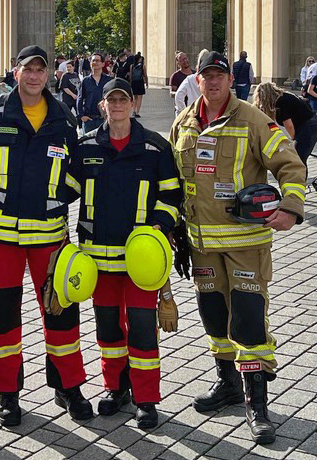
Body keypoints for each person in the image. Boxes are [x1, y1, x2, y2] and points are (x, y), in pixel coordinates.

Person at [170, 51, 306, 445]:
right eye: (206, 76)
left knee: (248, 320)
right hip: (201, 248)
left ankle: (256, 404)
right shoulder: (183, 123)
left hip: (246, 245)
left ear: (230, 80)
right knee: (214, 318)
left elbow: (291, 165)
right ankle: (227, 384)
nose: (212, 82)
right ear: (197, 80)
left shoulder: (253, 119)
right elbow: (175, 181)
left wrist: (290, 206)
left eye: (219, 76)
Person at [0, 45, 91, 427]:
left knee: (62, 313)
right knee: (3, 317)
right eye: (28, 70)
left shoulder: (63, 118)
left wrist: (55, 197)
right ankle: (7, 392)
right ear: (15, 73)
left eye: (41, 70)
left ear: (49, 74)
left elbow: (77, 169)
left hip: (49, 235)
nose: (34, 76)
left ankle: (67, 385)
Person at [66, 77, 182, 428]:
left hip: (139, 261)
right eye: (111, 100)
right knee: (108, 331)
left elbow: (172, 195)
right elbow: (64, 190)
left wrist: (160, 225)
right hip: (98, 260)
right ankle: (117, 388)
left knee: (144, 330)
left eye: (123, 100)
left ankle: (146, 398)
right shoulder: (85, 147)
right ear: (102, 105)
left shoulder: (154, 147)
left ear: (133, 104)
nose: (117, 105)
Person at [253, 82, 317, 175]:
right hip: (310, 122)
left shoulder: (280, 102)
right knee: (299, 156)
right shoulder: (284, 96)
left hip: (309, 125)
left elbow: (289, 125)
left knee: (298, 158)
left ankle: (300, 181)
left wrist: (294, 139)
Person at [77, 52, 112, 133]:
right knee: (88, 144)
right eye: (93, 61)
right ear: (90, 64)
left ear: (103, 64)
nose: (95, 63)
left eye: (97, 60)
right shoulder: (85, 81)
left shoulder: (108, 80)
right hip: (89, 119)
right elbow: (80, 98)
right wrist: (81, 116)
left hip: (104, 119)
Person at [174, 49, 209, 116]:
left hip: (193, 113)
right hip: (208, 114)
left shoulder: (190, 79)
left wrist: (184, 111)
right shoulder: (213, 79)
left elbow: (178, 96)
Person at [129, 52, 148, 118]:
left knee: (134, 98)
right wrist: (147, 83)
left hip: (134, 83)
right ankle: (137, 112)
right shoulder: (142, 66)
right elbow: (145, 75)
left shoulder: (132, 66)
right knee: (140, 98)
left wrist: (130, 84)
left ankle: (133, 111)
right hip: (140, 82)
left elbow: (130, 76)